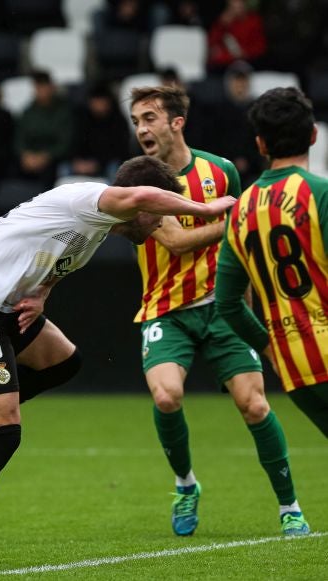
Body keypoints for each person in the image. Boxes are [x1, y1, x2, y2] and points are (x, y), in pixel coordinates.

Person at [0, 155, 238, 571]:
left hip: (5, 303)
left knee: (63, 362)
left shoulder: (98, 227)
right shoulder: (87, 197)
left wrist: (43, 291)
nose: (160, 224)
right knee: (3, 435)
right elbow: (139, 193)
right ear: (137, 205)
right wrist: (207, 208)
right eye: (158, 215)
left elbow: (55, 257)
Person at [128, 85, 308, 537]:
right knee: (167, 396)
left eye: (149, 117)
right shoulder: (138, 180)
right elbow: (173, 240)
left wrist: (245, 312)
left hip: (220, 308)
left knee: (255, 405)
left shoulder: (221, 170)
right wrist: (236, 219)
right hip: (164, 308)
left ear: (176, 123)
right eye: (135, 121)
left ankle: (290, 508)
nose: (141, 129)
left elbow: (241, 252)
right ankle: (186, 485)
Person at [217, 86, 328, 442]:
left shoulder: (239, 210)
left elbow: (227, 302)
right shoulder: (320, 194)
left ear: (261, 145)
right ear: (313, 136)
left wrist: (270, 347)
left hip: (295, 365)